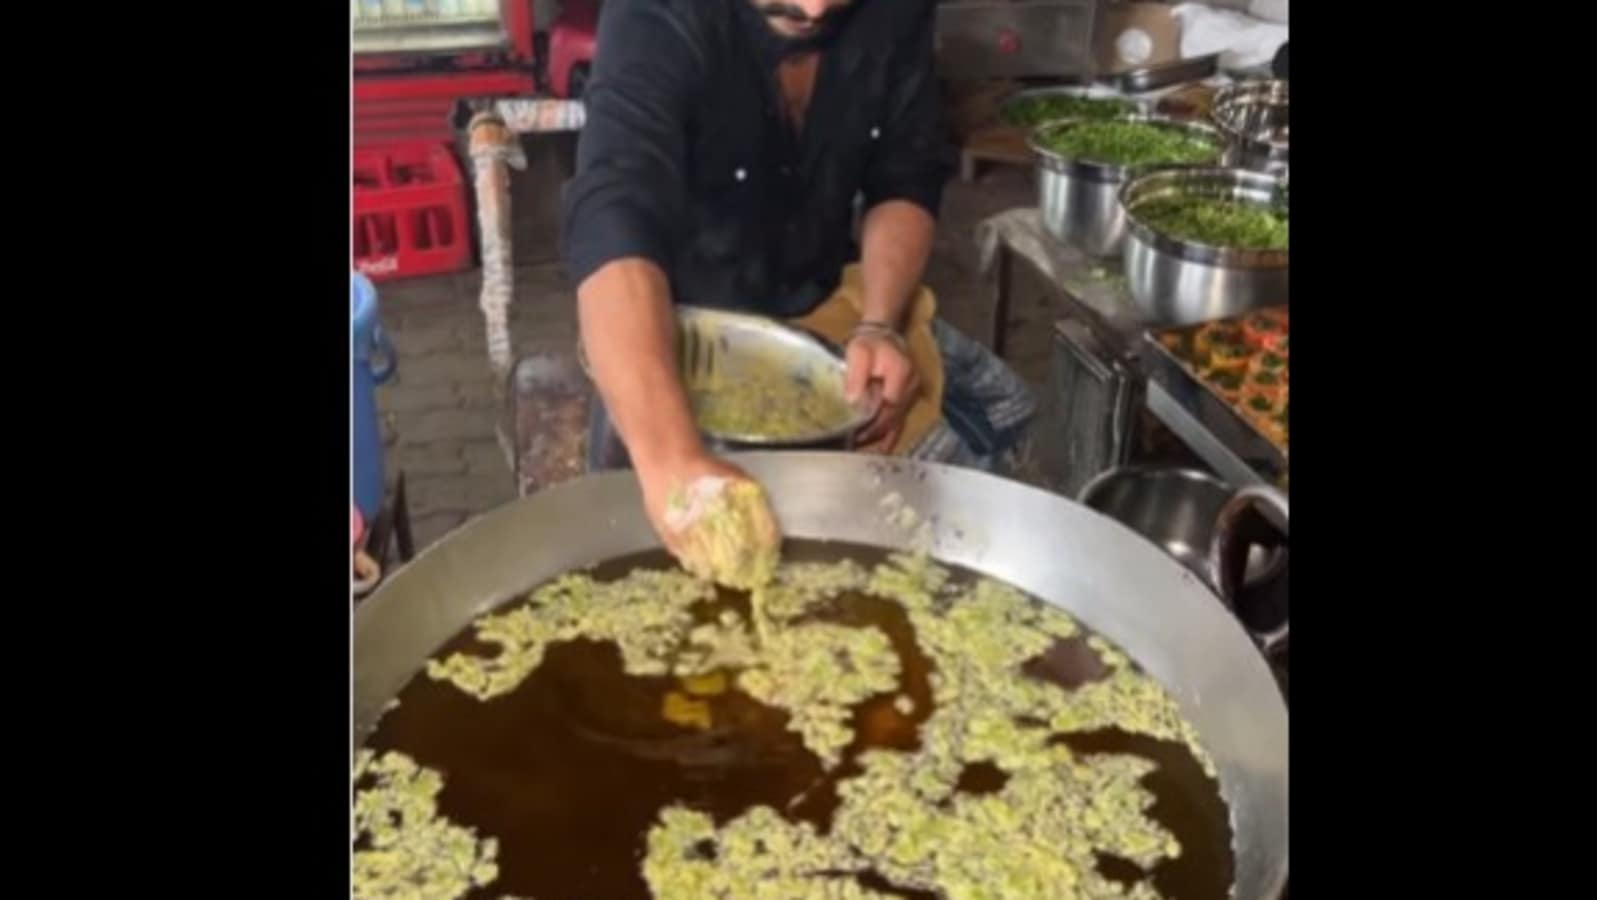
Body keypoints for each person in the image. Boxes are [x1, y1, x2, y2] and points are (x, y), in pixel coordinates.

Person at [561, 0, 1035, 563]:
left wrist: (881, 323)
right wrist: (672, 462)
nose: (811, 9)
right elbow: (616, 214)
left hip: (825, 307)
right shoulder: (657, 14)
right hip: (670, 337)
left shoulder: (895, 13)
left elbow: (905, 176)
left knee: (966, 483)